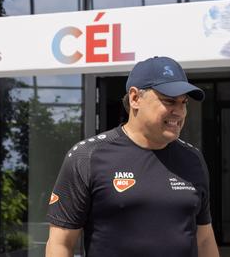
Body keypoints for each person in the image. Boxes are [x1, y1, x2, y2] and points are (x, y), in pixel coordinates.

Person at [46, 56, 219, 257]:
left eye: (184, 103)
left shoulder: (193, 159)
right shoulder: (87, 157)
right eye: (170, 101)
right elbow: (61, 243)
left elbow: (204, 238)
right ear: (135, 98)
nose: (179, 112)